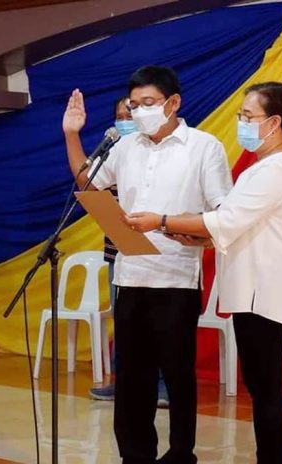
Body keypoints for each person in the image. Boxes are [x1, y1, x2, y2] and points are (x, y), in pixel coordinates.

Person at [126, 82, 282, 464]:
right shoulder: (264, 167)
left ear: (274, 122)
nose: (241, 122)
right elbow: (236, 227)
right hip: (252, 288)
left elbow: (226, 218)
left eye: (248, 117)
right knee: (260, 386)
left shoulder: (275, 168)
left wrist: (160, 219)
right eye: (240, 115)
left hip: (266, 289)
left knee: (266, 388)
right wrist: (200, 239)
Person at [63, 66, 232, 464]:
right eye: (134, 105)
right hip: (129, 274)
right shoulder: (126, 147)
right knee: (132, 378)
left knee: (176, 376)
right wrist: (72, 134)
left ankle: (179, 453)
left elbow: (222, 214)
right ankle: (135, 455)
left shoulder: (204, 147)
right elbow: (89, 184)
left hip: (177, 278)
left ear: (173, 103)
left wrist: (185, 231)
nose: (140, 112)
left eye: (149, 104)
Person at [89, 97, 169, 410]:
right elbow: (90, 185)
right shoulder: (112, 152)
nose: (125, 119)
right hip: (117, 251)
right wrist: (72, 135)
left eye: (130, 113)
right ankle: (123, 381)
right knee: (124, 322)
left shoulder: (157, 153)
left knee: (157, 323)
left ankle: (162, 385)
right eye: (119, 115)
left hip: (157, 252)